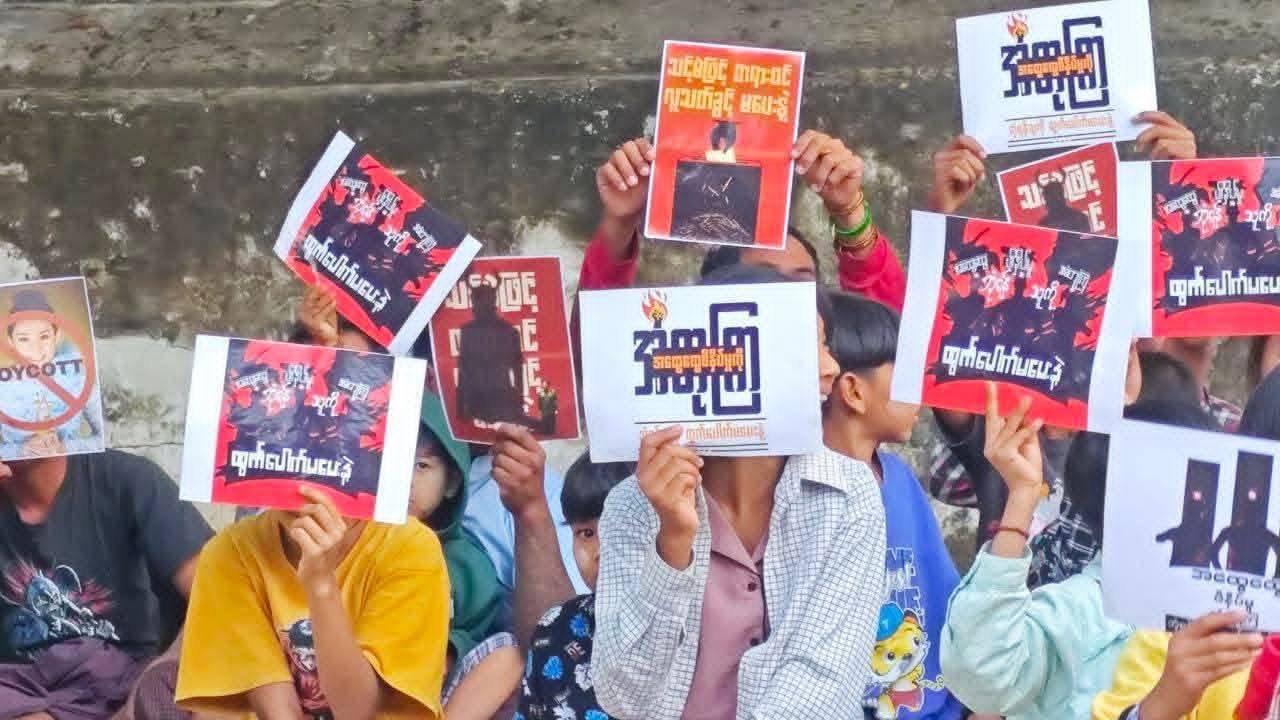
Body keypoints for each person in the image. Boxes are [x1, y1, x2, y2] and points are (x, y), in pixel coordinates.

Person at [593, 264, 886, 720]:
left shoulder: (846, 497)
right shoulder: (633, 506)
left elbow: (821, 687)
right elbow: (623, 695)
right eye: (807, 346)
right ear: (728, 360)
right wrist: (672, 543)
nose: (831, 368)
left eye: (826, 345)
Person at [296, 283, 589, 648]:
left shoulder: (524, 491)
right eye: (345, 379)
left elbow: (558, 650)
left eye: (421, 466)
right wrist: (320, 359)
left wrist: (531, 510)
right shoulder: (321, 483)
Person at [940, 389, 1216, 720]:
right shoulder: (1083, 612)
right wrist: (1022, 497)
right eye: (1198, 490)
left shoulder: (1243, 608)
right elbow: (984, 673)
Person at [175, 486, 450, 718]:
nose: (307, 489)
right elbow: (276, 709)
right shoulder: (230, 552)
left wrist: (320, 585)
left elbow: (357, 711)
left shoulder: (410, 548)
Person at [818, 291, 963, 720]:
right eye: (904, 374)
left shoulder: (898, 478)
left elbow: (945, 602)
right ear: (853, 391)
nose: (919, 391)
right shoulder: (803, 494)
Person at [582, 130, 905, 307]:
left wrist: (848, 209)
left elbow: (890, 338)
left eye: (800, 283)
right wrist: (619, 222)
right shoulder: (684, 380)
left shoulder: (834, 382)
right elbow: (599, 346)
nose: (783, 294)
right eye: (762, 277)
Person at [0, 449, 211, 719]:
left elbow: (219, 600)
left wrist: (163, 670)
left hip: (131, 679)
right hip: (22, 686)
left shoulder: (128, 480)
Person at [416, 392, 522, 718]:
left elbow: (476, 632)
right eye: (387, 463)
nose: (404, 481)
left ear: (452, 481)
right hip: (358, 683)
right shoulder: (352, 542)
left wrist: (451, 650)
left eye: (421, 466)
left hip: (433, 689)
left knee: (510, 652)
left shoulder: (467, 563)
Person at [518, 452, 634, 720]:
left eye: (619, 528)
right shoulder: (555, 629)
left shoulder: (696, 627)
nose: (600, 551)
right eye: (587, 534)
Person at [0, 289, 104, 458]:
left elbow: (104, 438)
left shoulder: (80, 377)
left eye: (44, 336)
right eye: (24, 339)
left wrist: (66, 448)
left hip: (72, 464)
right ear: (11, 342)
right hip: (17, 471)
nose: (36, 349)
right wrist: (20, 451)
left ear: (56, 335)